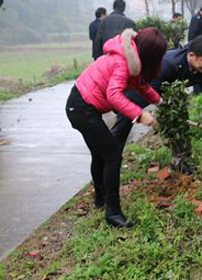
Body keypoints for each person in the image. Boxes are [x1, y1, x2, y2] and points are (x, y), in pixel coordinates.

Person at [66, 27, 166, 228]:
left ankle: (101, 200)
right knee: (112, 156)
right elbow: (114, 95)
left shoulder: (133, 61)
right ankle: (113, 213)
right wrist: (140, 114)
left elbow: (141, 86)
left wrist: (160, 102)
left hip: (81, 106)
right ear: (150, 54)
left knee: (100, 155)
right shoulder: (123, 62)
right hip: (81, 108)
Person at [110, 35, 202, 175]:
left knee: (180, 122)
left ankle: (181, 163)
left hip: (172, 93)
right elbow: (147, 91)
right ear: (191, 56)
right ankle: (110, 162)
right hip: (142, 89)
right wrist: (140, 113)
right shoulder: (168, 64)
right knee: (122, 127)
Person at [188, 6, 202, 94]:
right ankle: (197, 90)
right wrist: (194, 47)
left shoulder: (201, 18)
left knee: (200, 67)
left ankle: (200, 88)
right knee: (196, 68)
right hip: (196, 47)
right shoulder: (196, 19)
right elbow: (192, 34)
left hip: (200, 46)